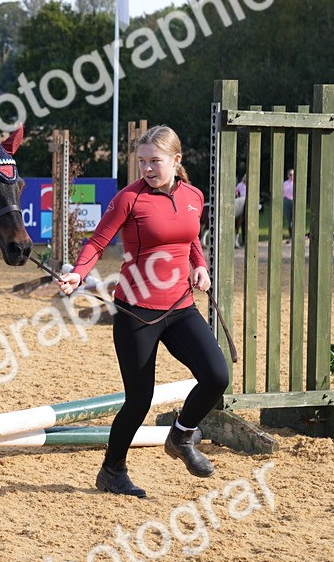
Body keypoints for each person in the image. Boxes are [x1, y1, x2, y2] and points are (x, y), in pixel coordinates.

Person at [56, 125, 229, 498]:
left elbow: (191, 237)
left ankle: (181, 436)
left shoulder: (194, 196)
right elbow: (98, 241)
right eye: (142, 162)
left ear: (176, 160)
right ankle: (112, 471)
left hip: (181, 306)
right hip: (137, 311)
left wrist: (200, 266)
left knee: (217, 376)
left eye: (155, 161)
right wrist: (78, 274)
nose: (148, 168)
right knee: (139, 399)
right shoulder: (128, 199)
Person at [282, 168, 294, 239]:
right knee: (289, 219)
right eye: (290, 175)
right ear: (288, 175)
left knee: (294, 218)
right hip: (287, 201)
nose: (292, 176)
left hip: (294, 201)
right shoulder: (285, 183)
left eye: (293, 175)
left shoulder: (297, 183)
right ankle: (291, 235)